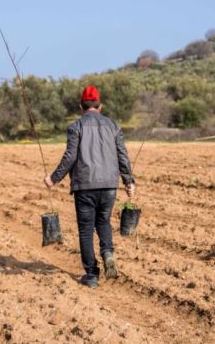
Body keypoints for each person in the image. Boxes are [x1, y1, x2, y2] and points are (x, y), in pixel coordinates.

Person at [44, 85, 135, 288]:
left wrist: (54, 178)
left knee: (86, 230)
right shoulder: (114, 126)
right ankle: (107, 252)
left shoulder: (76, 127)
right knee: (103, 222)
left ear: (80, 106)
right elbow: (123, 156)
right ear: (100, 106)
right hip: (110, 186)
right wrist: (129, 182)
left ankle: (92, 275)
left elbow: (70, 157)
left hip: (85, 186)